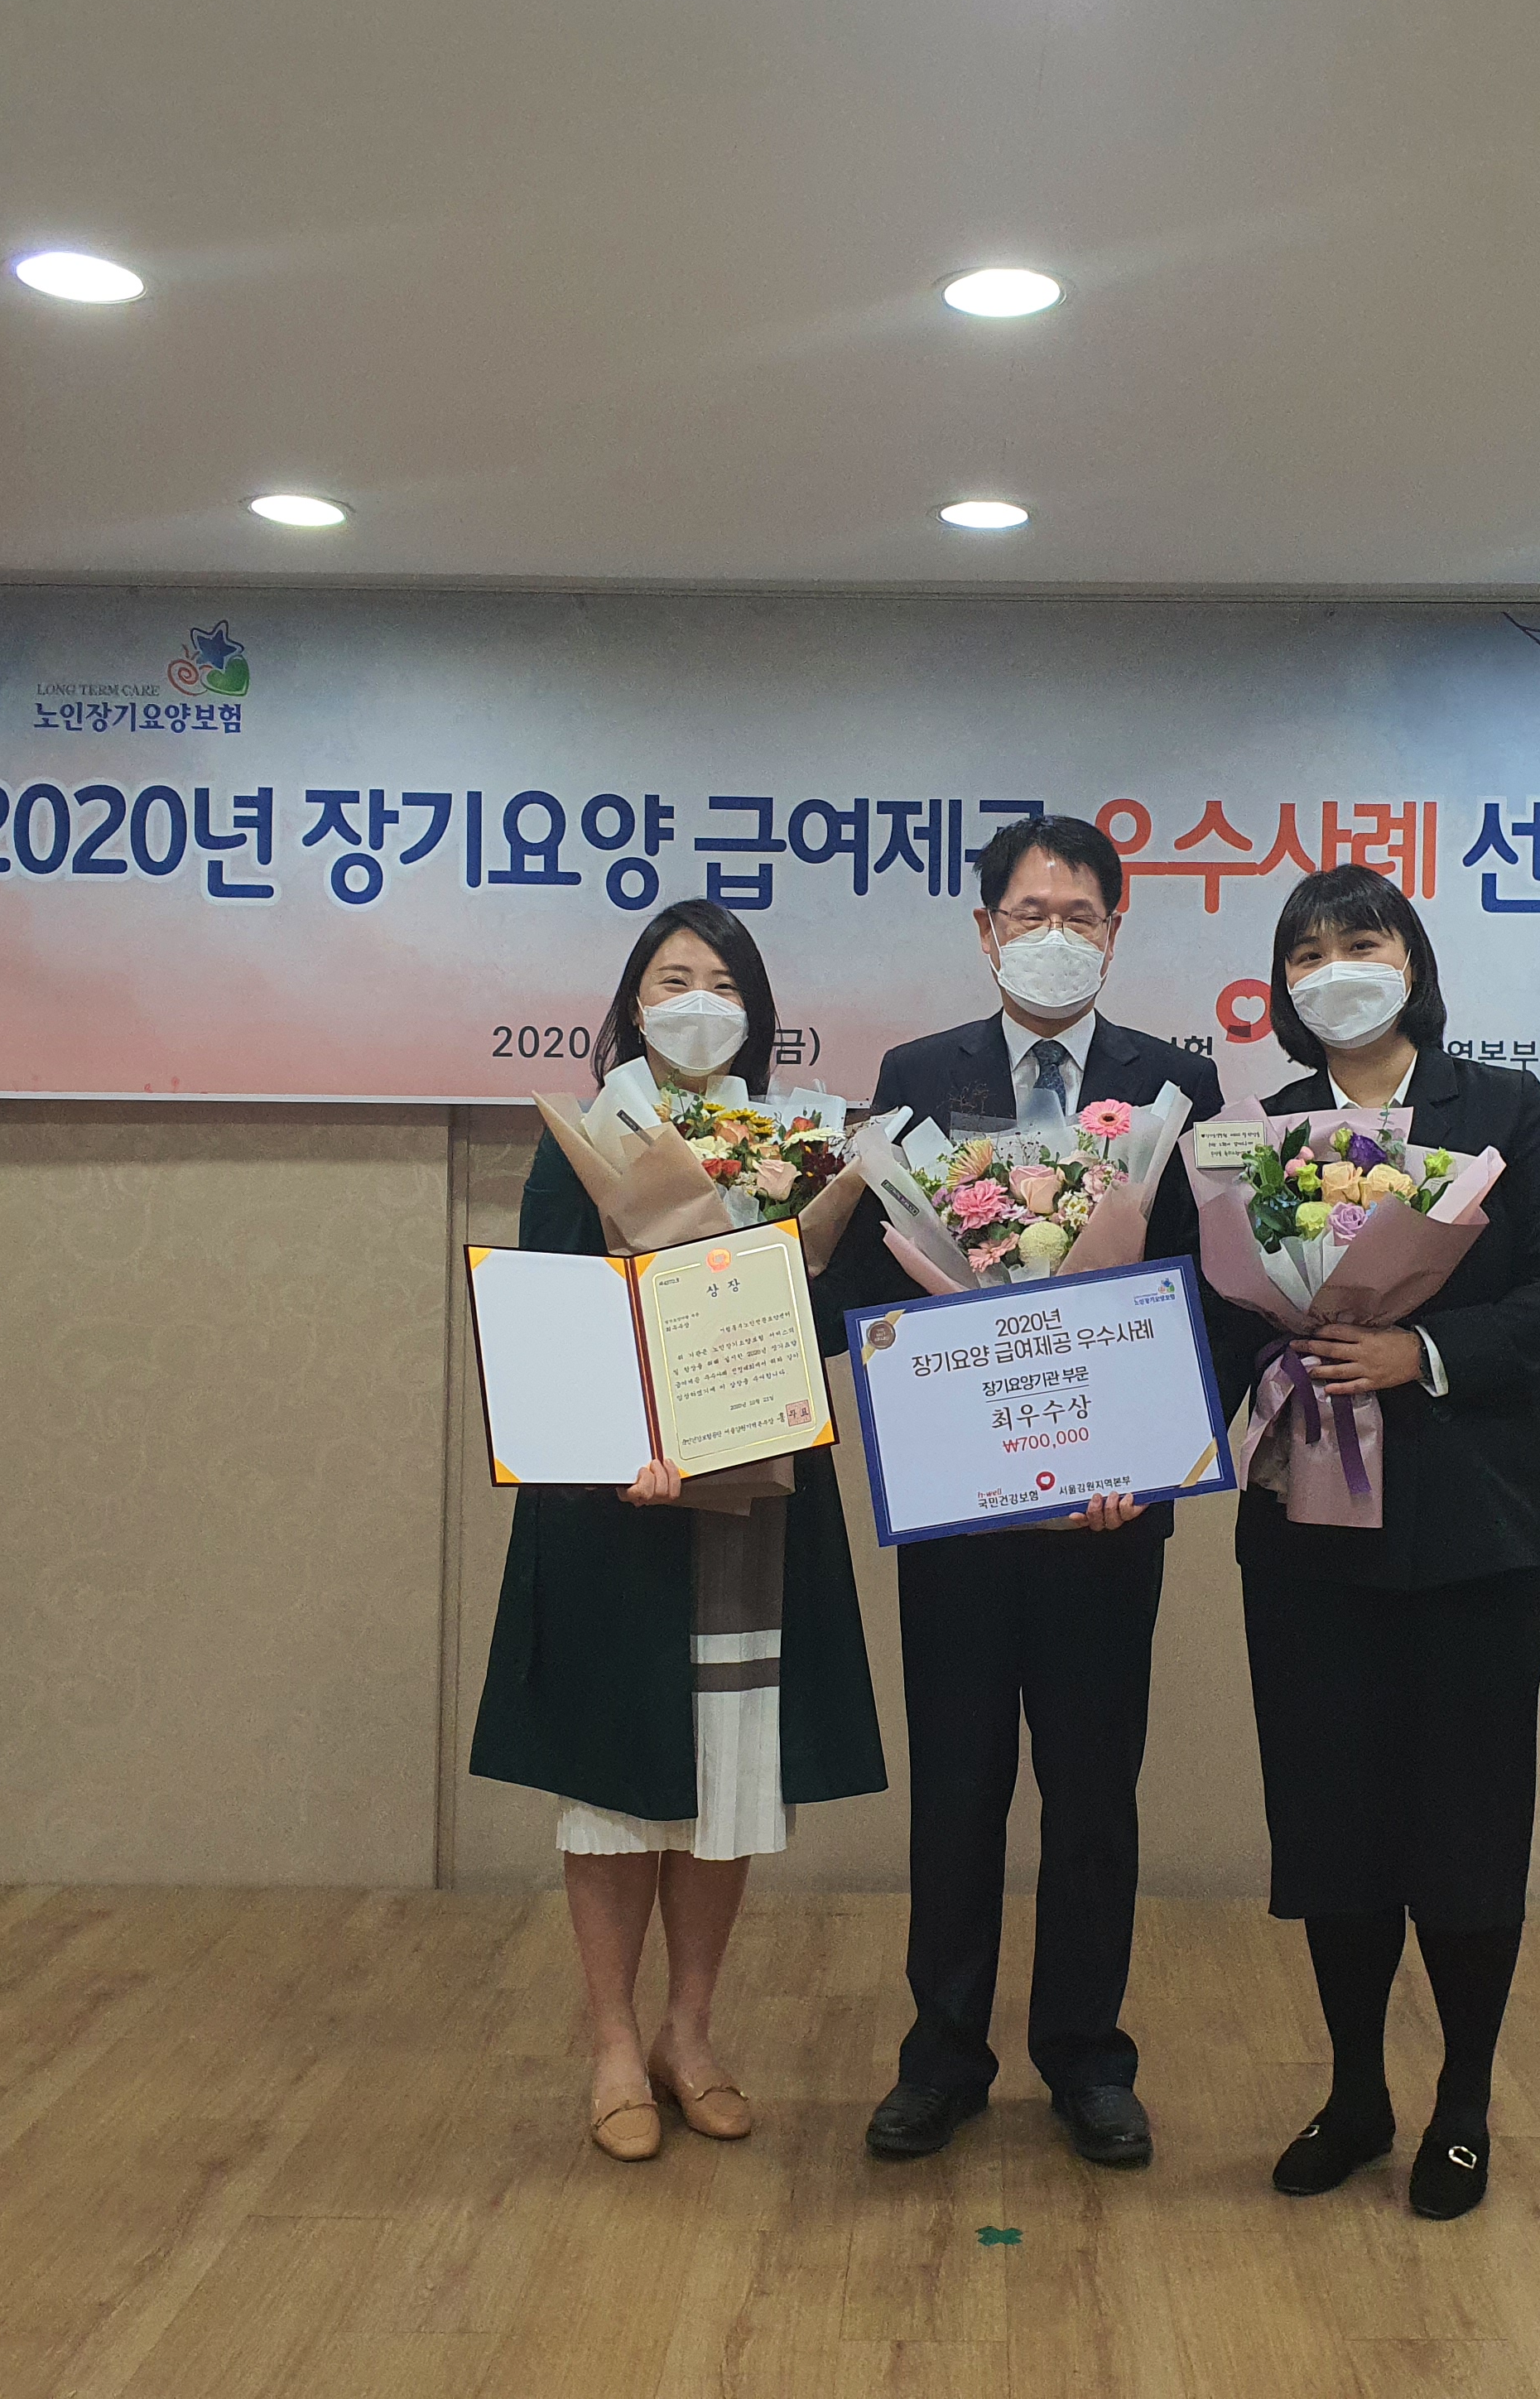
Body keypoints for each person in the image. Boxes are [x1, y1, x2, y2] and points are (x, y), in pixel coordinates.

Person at [1206, 862, 1540, 2220]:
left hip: (1476, 1527)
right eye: (1307, 953)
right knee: (1334, 1817)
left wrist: (1418, 1351)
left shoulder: (1504, 1110)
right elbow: (1218, 1315)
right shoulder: (1254, 1136)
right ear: (1281, 986)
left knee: (1468, 1818)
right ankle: (1356, 2093)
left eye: (1362, 943)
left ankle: (1465, 2102)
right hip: (1308, 1530)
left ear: (1414, 962)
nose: (1338, 972)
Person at [826, 813, 1223, 2171]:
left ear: (1116, 930)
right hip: (962, 1513)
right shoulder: (916, 1076)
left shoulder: (1175, 1085)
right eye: (1029, 914)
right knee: (957, 1787)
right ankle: (941, 2059)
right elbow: (878, 1280)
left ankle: (1087, 2059)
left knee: (1095, 1792)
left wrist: (1143, 1463)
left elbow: (1204, 1293)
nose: (1055, 937)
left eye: (1080, 916)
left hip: (1108, 1518)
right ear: (985, 929)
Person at [467, 900, 888, 2162]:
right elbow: (556, 1317)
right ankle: (611, 2041)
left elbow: (823, 1317)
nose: (697, 1001)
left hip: (754, 1502)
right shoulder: (585, 1140)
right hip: (617, 1512)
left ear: (756, 1014)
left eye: (721, 982)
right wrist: (619, 1450)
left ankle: (688, 2033)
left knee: (725, 1779)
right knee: (613, 1785)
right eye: (671, 980)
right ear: (632, 1005)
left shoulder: (795, 1148)